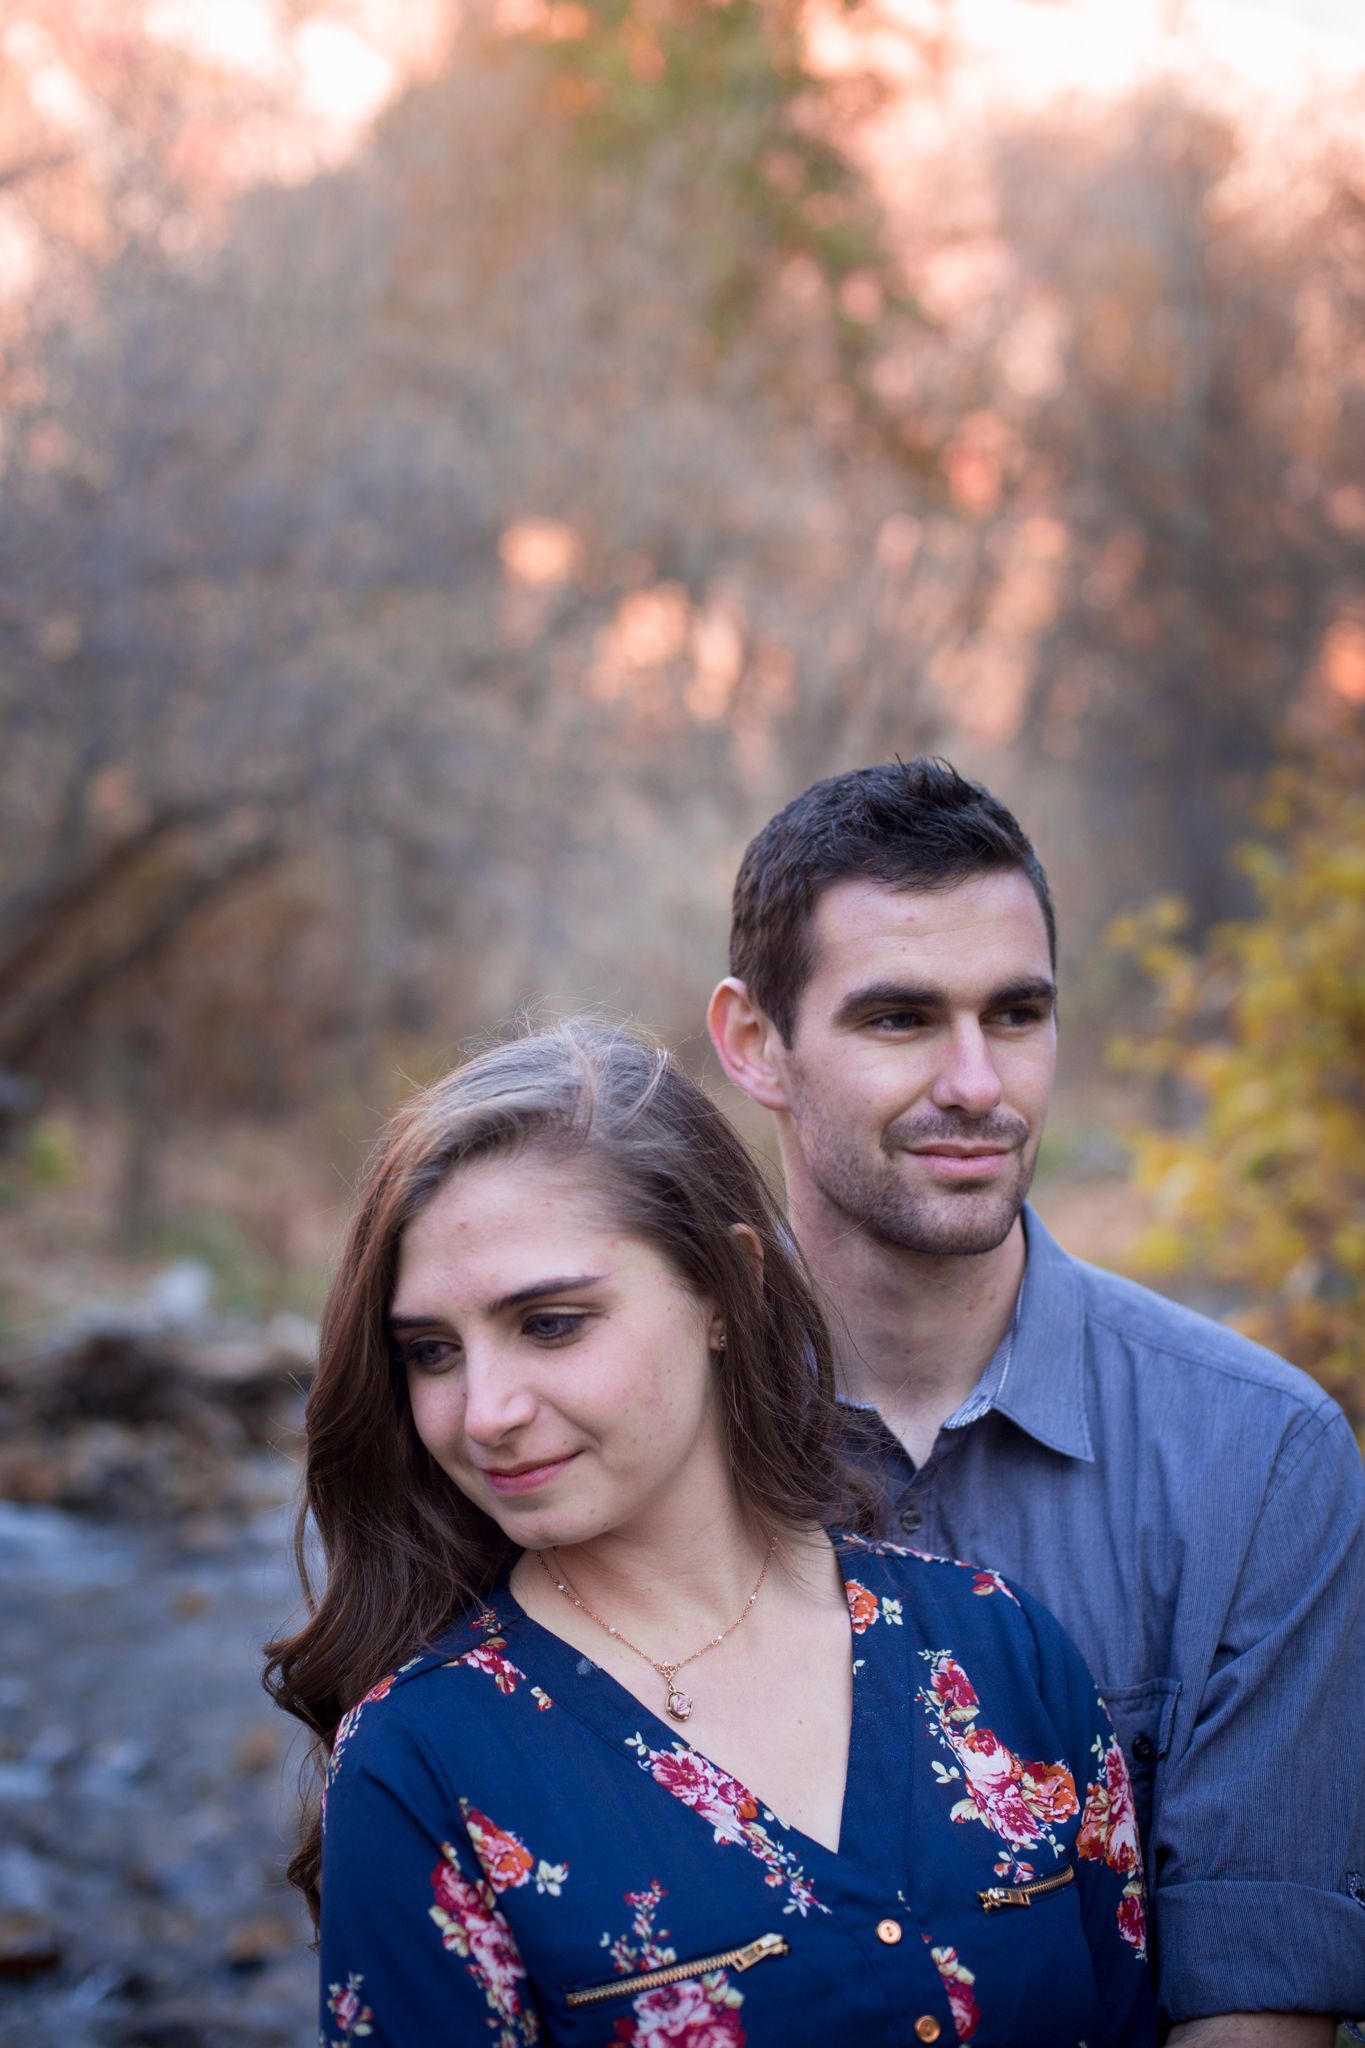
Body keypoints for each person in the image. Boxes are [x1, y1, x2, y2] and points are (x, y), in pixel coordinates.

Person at [266, 1023, 1156, 2048]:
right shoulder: (420, 1767)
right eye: (431, 1351)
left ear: (724, 1293)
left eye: (550, 1322)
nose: (483, 1412)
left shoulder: (1002, 1653)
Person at [706, 757, 1365, 2045]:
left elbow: (1258, 2006)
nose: (977, 1083)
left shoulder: (1261, 1458)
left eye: (1015, 1013)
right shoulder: (631, 1426)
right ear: (754, 1042)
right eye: (900, 1018)